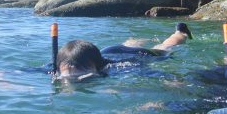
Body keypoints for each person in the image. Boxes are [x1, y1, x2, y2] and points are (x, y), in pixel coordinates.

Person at [55, 23, 193, 80]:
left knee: (164, 47)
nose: (73, 81)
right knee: (129, 43)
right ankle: (134, 39)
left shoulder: (119, 67)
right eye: (67, 77)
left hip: (135, 54)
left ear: (98, 67)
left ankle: (180, 31)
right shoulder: (59, 67)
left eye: (81, 78)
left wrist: (172, 79)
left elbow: (149, 73)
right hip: (110, 50)